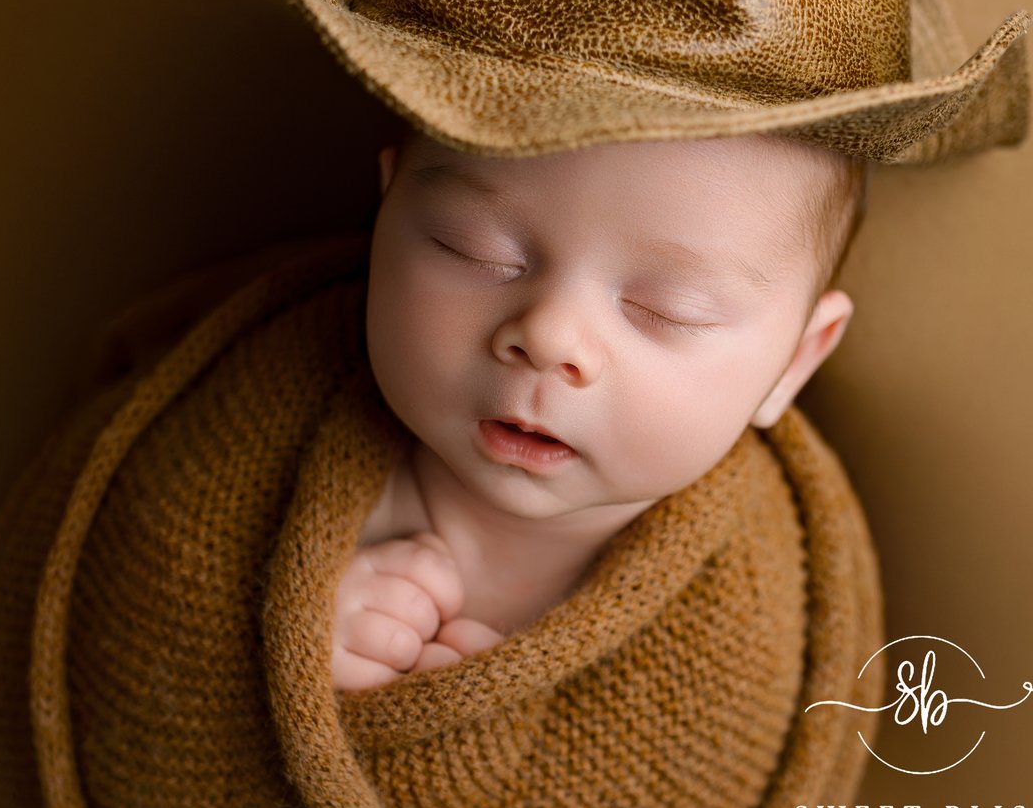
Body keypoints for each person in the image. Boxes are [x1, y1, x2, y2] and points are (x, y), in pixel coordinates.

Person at [335, 128, 865, 688]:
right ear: (385, 212)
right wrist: (296, 638)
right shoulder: (286, 427)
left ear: (794, 362)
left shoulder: (751, 638)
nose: (548, 337)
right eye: (476, 249)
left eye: (667, 310)